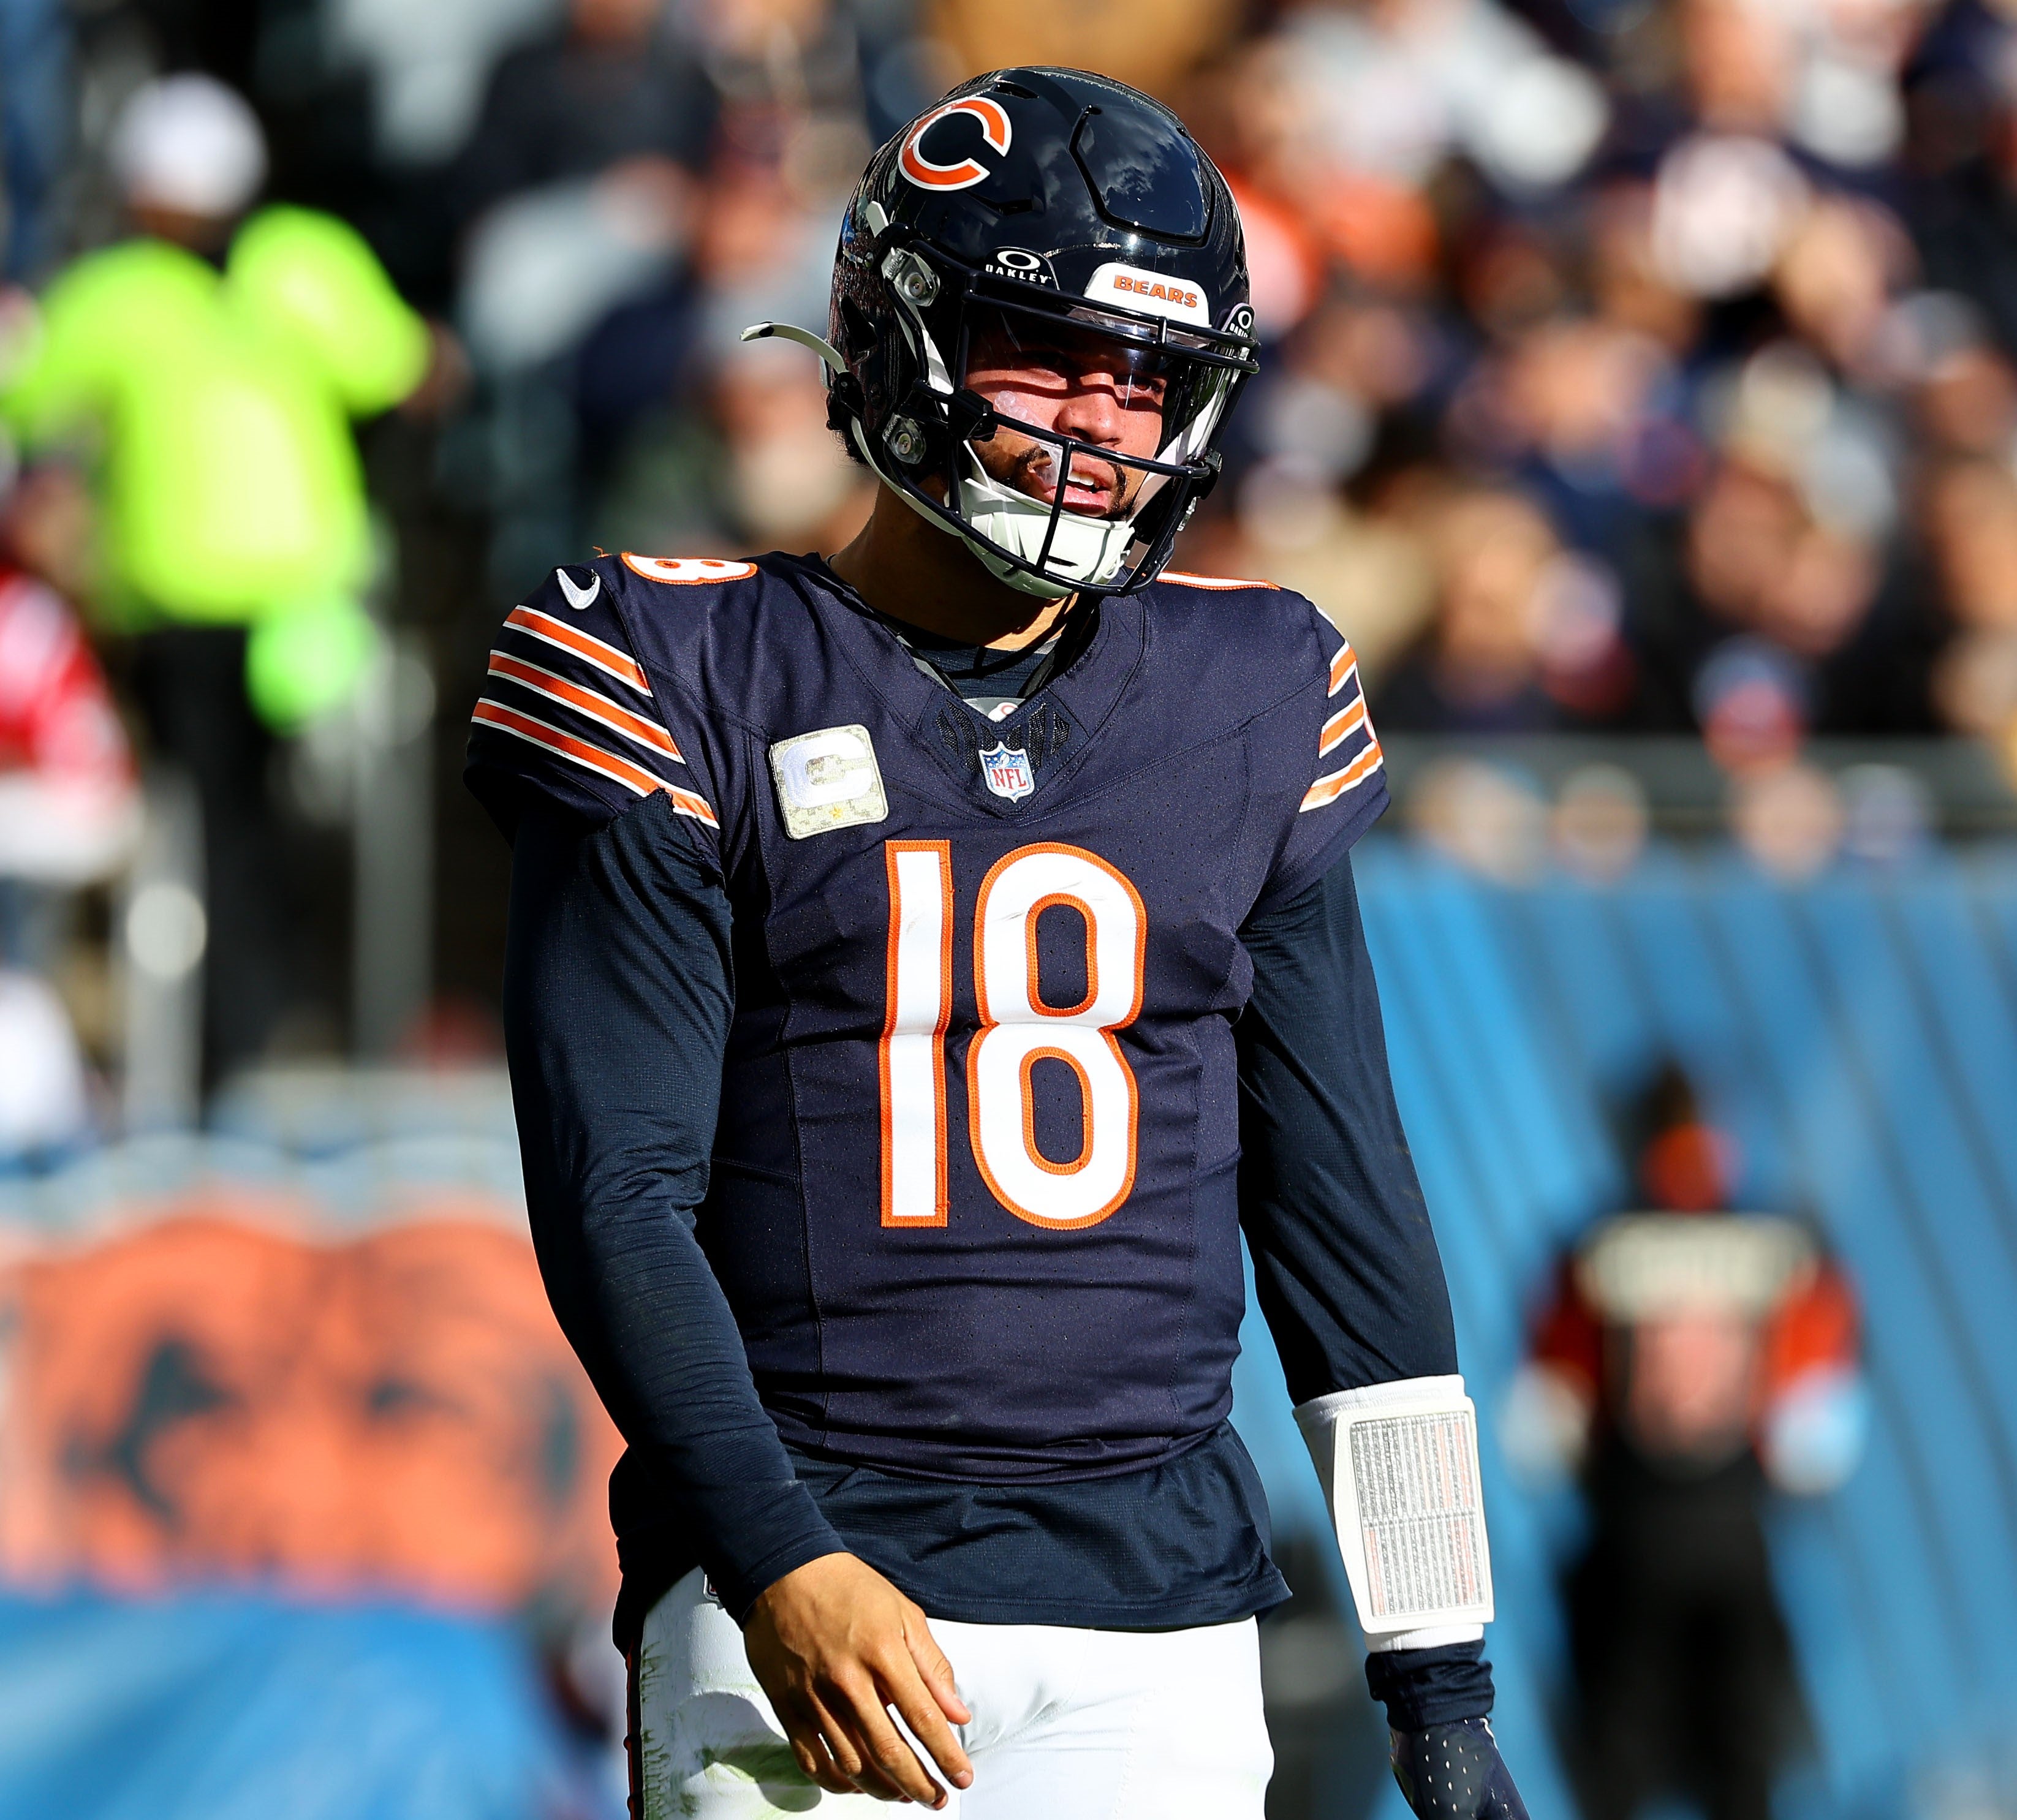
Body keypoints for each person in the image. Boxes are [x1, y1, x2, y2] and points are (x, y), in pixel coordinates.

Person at [468, 69, 1529, 1820]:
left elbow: (1344, 1214)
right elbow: (614, 1188)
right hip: (824, 1584)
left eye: (1151, 378)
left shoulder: (1253, 686)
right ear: (893, 339)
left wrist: (1438, 1672)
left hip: (1166, 1616)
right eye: (1050, 352)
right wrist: (772, 1553)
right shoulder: (678, 665)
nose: (1102, 418)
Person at [1, 75, 433, 1084]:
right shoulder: (304, 262)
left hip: (225, 613)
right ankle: (260, 1029)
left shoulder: (114, 294)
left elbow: (28, 395)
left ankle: (240, 1040)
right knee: (257, 830)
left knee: (224, 832)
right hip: (301, 610)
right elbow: (400, 367)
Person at [1512, 1066, 1863, 1820]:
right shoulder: (1787, 1245)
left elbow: (1546, 1421)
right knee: (1742, 1759)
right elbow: (1819, 1431)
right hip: (1738, 1544)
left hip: (1628, 1543)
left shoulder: (1593, 1250)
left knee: (1616, 1762)